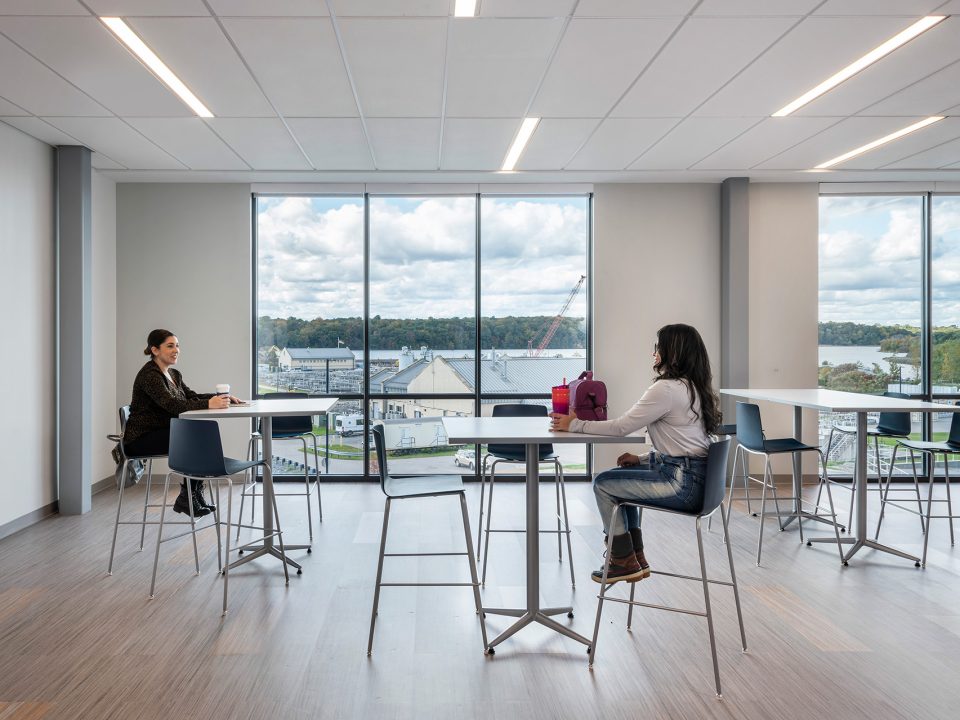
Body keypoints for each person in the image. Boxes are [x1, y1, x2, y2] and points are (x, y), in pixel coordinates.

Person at [550, 323, 720, 584]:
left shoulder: (666, 389)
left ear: (671, 352)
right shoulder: (695, 387)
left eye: (658, 346)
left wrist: (574, 424)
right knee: (621, 478)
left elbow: (622, 427)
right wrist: (642, 459)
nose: (654, 352)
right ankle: (634, 557)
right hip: (697, 481)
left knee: (604, 485)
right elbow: (685, 442)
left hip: (682, 484)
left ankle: (622, 560)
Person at [124, 329, 244, 517]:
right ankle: (188, 496)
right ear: (155, 350)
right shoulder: (150, 376)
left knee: (199, 436)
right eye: (170, 346)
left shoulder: (173, 374)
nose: (176, 350)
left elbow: (191, 397)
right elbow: (173, 405)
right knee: (196, 439)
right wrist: (209, 404)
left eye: (177, 345)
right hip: (141, 439)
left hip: (161, 432)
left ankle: (191, 494)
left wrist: (220, 397)